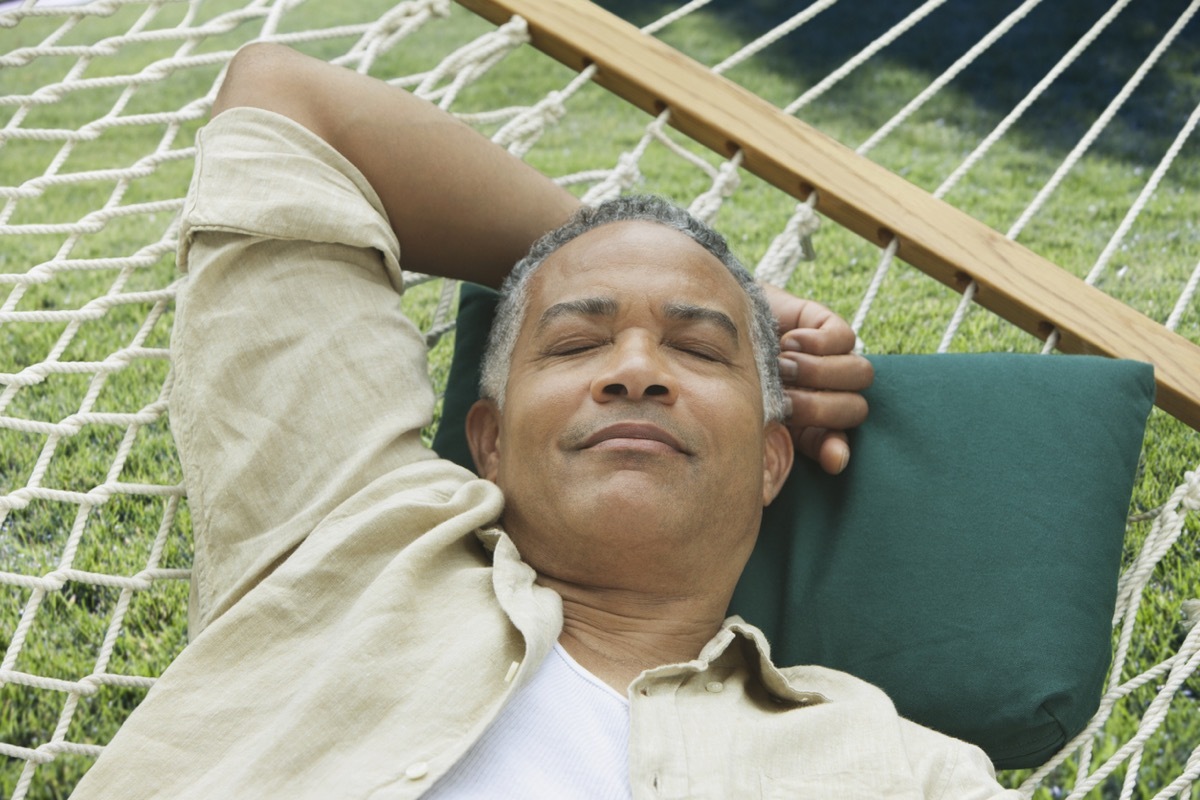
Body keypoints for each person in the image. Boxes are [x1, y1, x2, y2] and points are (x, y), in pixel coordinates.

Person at [70, 43, 1019, 799]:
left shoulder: (905, 771)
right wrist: (735, 298)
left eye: (696, 349)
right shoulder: (351, 535)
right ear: (487, 441)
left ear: (775, 460)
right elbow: (284, 100)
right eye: (574, 347)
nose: (638, 372)